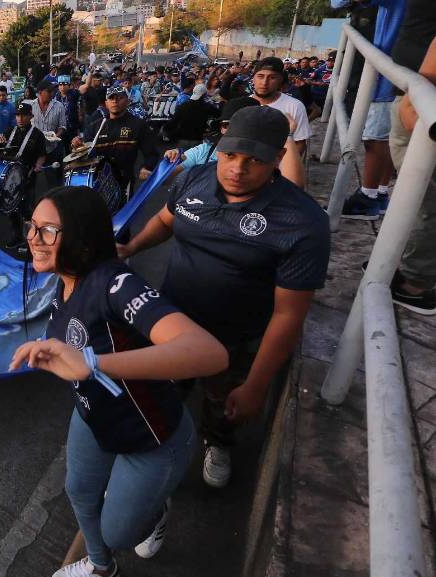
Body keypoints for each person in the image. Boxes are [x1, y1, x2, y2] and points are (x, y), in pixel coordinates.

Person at [9, 186, 228, 577]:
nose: (32, 239)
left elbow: (208, 351)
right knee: (79, 491)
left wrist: (93, 363)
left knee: (118, 530)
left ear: (80, 237)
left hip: (153, 436)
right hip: (94, 416)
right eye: (31, 227)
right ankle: (100, 568)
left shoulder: (115, 284)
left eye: (47, 231)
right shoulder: (63, 280)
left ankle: (154, 510)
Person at [119, 106, 330, 489]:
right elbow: (166, 222)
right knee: (158, 397)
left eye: (253, 160)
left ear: (279, 158)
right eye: (230, 155)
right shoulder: (194, 181)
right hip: (172, 327)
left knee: (224, 406)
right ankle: (152, 457)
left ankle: (217, 444)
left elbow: (288, 314)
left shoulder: (302, 223)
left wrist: (257, 385)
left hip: (235, 341)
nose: (237, 168)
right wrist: (131, 245)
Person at [384, 10, 436, 314]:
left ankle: (410, 278)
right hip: (416, 113)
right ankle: (408, 276)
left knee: (425, 206)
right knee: (421, 204)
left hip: (419, 115)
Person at [341, 0, 407, 220]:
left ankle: (367, 198)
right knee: (387, 138)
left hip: (385, 74)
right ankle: (379, 193)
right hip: (399, 72)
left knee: (374, 140)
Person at [163, 96, 306, 188]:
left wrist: (288, 136)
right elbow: (164, 180)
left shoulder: (268, 154)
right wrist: (168, 163)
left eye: (243, 126)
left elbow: (293, 187)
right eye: (227, 125)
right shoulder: (207, 149)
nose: (237, 169)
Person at [71, 85, 159, 196]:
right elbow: (84, 152)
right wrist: (76, 145)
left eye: (119, 98)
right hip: (97, 182)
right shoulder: (95, 126)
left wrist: (146, 167)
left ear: (128, 101)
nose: (115, 101)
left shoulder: (138, 125)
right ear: (106, 103)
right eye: (111, 98)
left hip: (125, 181)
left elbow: (151, 153)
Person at [0, 102, 48, 248]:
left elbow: (42, 154)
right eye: (17, 115)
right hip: (10, 178)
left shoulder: (37, 135)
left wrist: (38, 165)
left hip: (28, 176)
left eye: (23, 115)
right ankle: (17, 236)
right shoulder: (11, 131)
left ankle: (32, 238)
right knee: (11, 208)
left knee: (27, 209)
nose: (20, 118)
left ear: (30, 116)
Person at [249, 57, 311, 155]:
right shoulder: (242, 104)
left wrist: (283, 168)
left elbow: (299, 143)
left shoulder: (295, 106)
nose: (264, 83)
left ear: (280, 80)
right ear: (253, 79)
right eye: (260, 76)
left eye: (272, 77)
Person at [164, 83, 216, 150]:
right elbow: (217, 114)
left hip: (182, 139)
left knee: (183, 158)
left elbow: (174, 121)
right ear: (204, 95)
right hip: (197, 139)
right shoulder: (206, 107)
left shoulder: (183, 106)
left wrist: (166, 130)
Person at [54, 75, 82, 144]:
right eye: (60, 85)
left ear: (69, 86)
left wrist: (80, 116)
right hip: (61, 127)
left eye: (65, 85)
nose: (62, 87)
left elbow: (80, 106)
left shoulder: (75, 94)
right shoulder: (56, 96)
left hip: (72, 126)